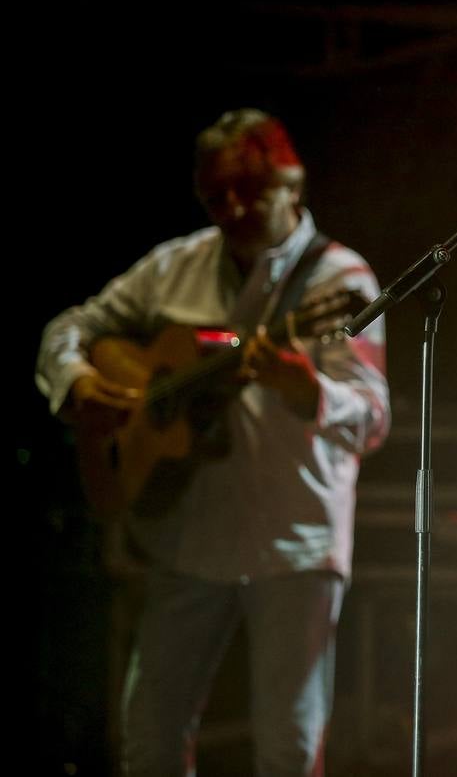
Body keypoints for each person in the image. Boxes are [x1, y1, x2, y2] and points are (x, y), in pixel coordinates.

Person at [36, 109, 390, 775]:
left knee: (288, 748)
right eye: (213, 195)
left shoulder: (340, 281)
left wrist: (307, 390)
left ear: (292, 186)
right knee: (150, 737)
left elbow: (374, 417)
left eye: (247, 193)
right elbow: (70, 329)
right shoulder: (176, 266)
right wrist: (77, 382)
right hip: (185, 532)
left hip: (295, 543)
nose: (229, 209)